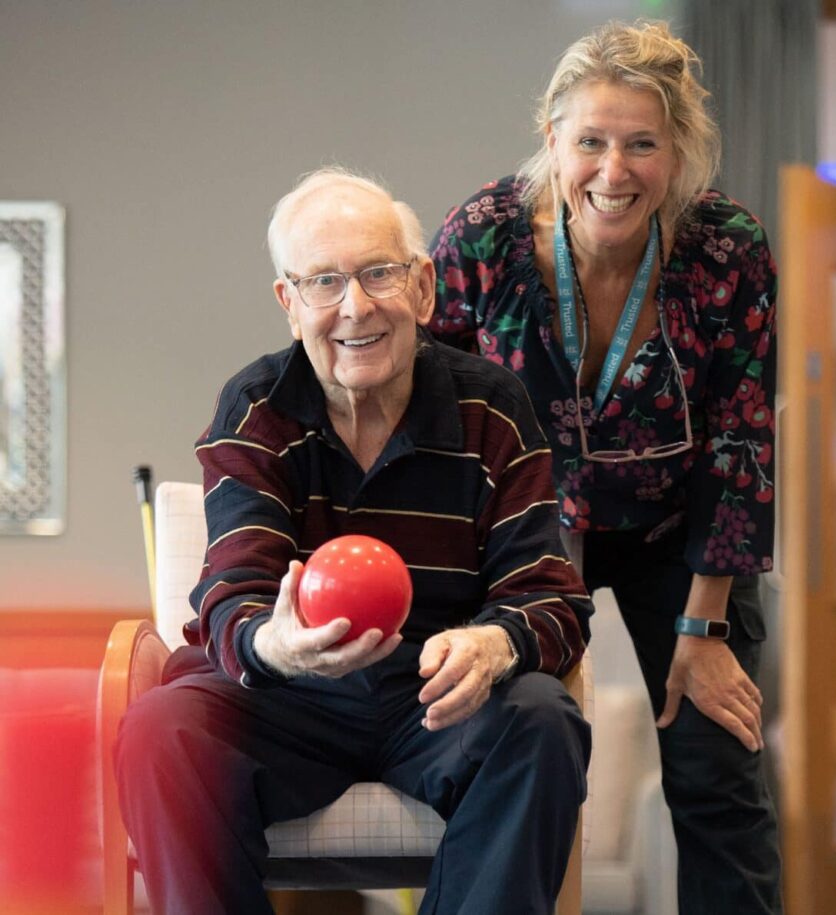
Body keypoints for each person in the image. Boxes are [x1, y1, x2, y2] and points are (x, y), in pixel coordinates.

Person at [117, 168, 593, 915]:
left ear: (425, 287)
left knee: (541, 715)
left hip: (439, 696)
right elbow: (231, 593)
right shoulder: (256, 407)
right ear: (289, 302)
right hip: (290, 697)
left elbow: (550, 595)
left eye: (379, 273)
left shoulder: (492, 407)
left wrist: (492, 646)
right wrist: (274, 645)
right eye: (324, 282)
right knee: (162, 726)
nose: (355, 307)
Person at [427, 20, 780, 912]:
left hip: (676, 533)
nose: (613, 172)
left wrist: (704, 634)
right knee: (525, 754)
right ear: (553, 139)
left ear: (679, 152)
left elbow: (741, 439)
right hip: (526, 538)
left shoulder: (725, 250)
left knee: (718, 768)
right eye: (591, 141)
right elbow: (433, 415)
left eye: (641, 145)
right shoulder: (482, 240)